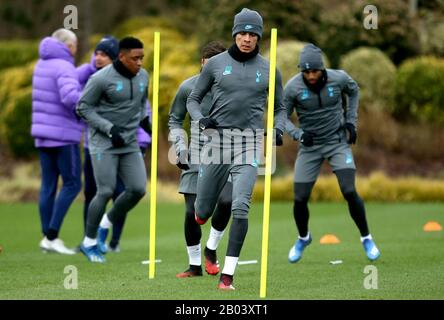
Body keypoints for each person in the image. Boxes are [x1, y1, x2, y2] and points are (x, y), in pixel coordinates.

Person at [186, 8, 286, 290]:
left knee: (241, 206)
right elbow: (193, 100)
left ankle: (227, 275)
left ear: (259, 37)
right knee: (202, 211)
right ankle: (206, 237)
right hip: (217, 143)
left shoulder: (269, 69)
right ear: (234, 34)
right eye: (242, 33)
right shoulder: (215, 64)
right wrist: (200, 119)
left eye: (252, 34)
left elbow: (280, 109)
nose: (246, 38)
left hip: (250, 143)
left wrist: (278, 128)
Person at [284, 43, 380, 263]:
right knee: (299, 198)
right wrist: (298, 134)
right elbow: (280, 117)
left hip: (337, 142)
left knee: (348, 190)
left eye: (314, 71)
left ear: (323, 68)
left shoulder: (339, 79)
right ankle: (303, 237)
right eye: (306, 72)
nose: (310, 76)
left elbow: (354, 91)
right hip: (309, 147)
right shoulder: (292, 88)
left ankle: (366, 237)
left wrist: (351, 123)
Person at [76, 37, 151, 263]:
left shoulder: (143, 76)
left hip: (128, 143)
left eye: (142, 58)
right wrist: (109, 129)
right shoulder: (101, 78)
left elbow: (139, 106)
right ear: (122, 56)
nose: (139, 62)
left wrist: (145, 123)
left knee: (138, 189)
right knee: (106, 190)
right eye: (134, 58)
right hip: (103, 143)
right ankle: (88, 242)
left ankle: (105, 224)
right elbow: (83, 107)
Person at [168, 41, 232, 278]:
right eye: (206, 65)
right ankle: (194, 266)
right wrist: (180, 147)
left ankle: (211, 249)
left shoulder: (233, 87)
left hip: (228, 152)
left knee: (226, 201)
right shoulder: (188, 88)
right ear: (201, 63)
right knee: (191, 212)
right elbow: (174, 120)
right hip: (195, 154)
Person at [31, 28, 83, 255]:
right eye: (75, 45)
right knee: (72, 183)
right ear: (69, 46)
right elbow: (70, 97)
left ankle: (47, 237)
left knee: (48, 186)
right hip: (63, 134)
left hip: (43, 134)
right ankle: (52, 236)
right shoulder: (64, 66)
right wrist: (88, 104)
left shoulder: (41, 64)